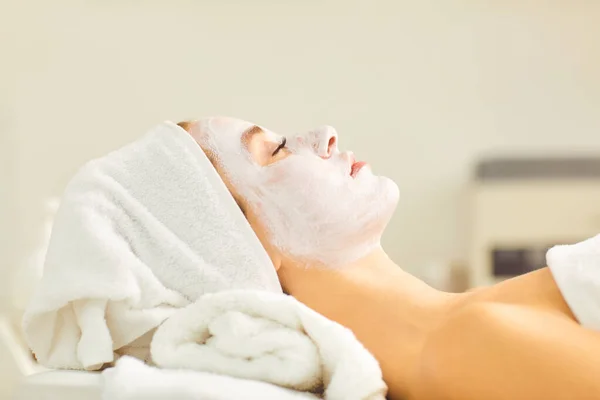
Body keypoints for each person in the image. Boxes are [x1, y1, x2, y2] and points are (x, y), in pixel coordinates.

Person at [178, 117, 600, 400]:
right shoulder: (466, 346)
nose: (325, 133)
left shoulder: (474, 327)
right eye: (278, 150)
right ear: (245, 245)